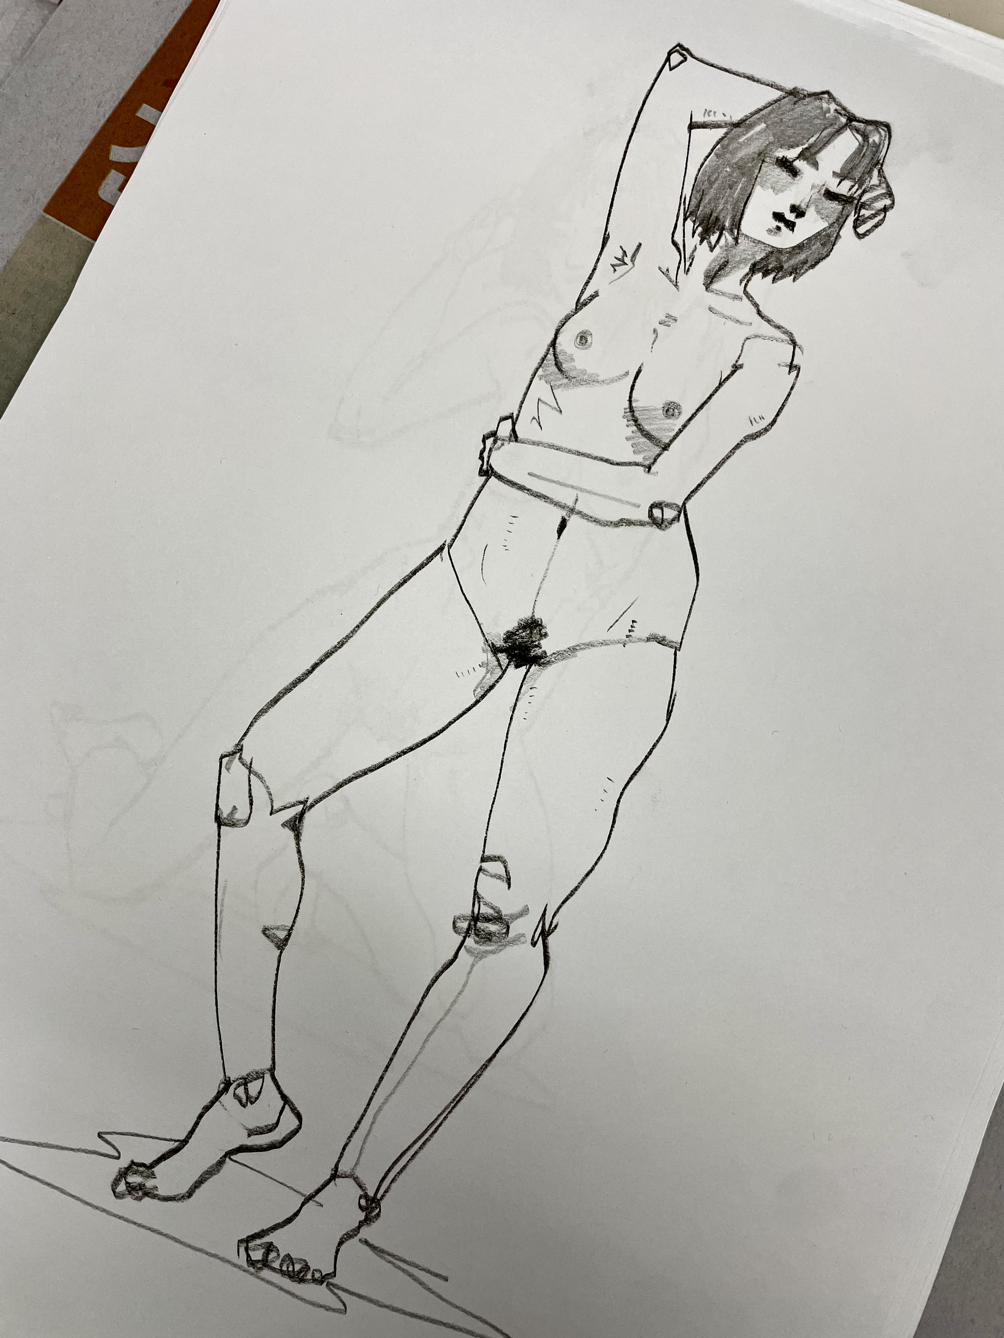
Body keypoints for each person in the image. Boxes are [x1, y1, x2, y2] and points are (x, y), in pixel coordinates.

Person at [111, 45, 894, 1286]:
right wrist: (844, 121)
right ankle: (249, 1097)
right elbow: (673, 75)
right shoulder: (626, 253)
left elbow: (651, 498)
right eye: (789, 167)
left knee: (503, 916)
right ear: (745, 156)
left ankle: (342, 1200)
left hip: (612, 628)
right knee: (253, 786)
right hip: (476, 581)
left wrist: (511, 458)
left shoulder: (764, 355)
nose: (801, 200)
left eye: (834, 194)